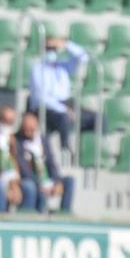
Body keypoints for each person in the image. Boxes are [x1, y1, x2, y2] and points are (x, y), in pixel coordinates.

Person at [28, 34, 94, 163]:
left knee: (97, 119)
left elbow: (84, 57)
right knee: (64, 117)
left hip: (66, 103)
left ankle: (92, 153)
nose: (52, 52)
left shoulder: (63, 67)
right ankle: (66, 151)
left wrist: (66, 44)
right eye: (49, 48)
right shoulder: (37, 69)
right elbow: (41, 96)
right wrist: (64, 109)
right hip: (46, 107)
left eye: (54, 49)